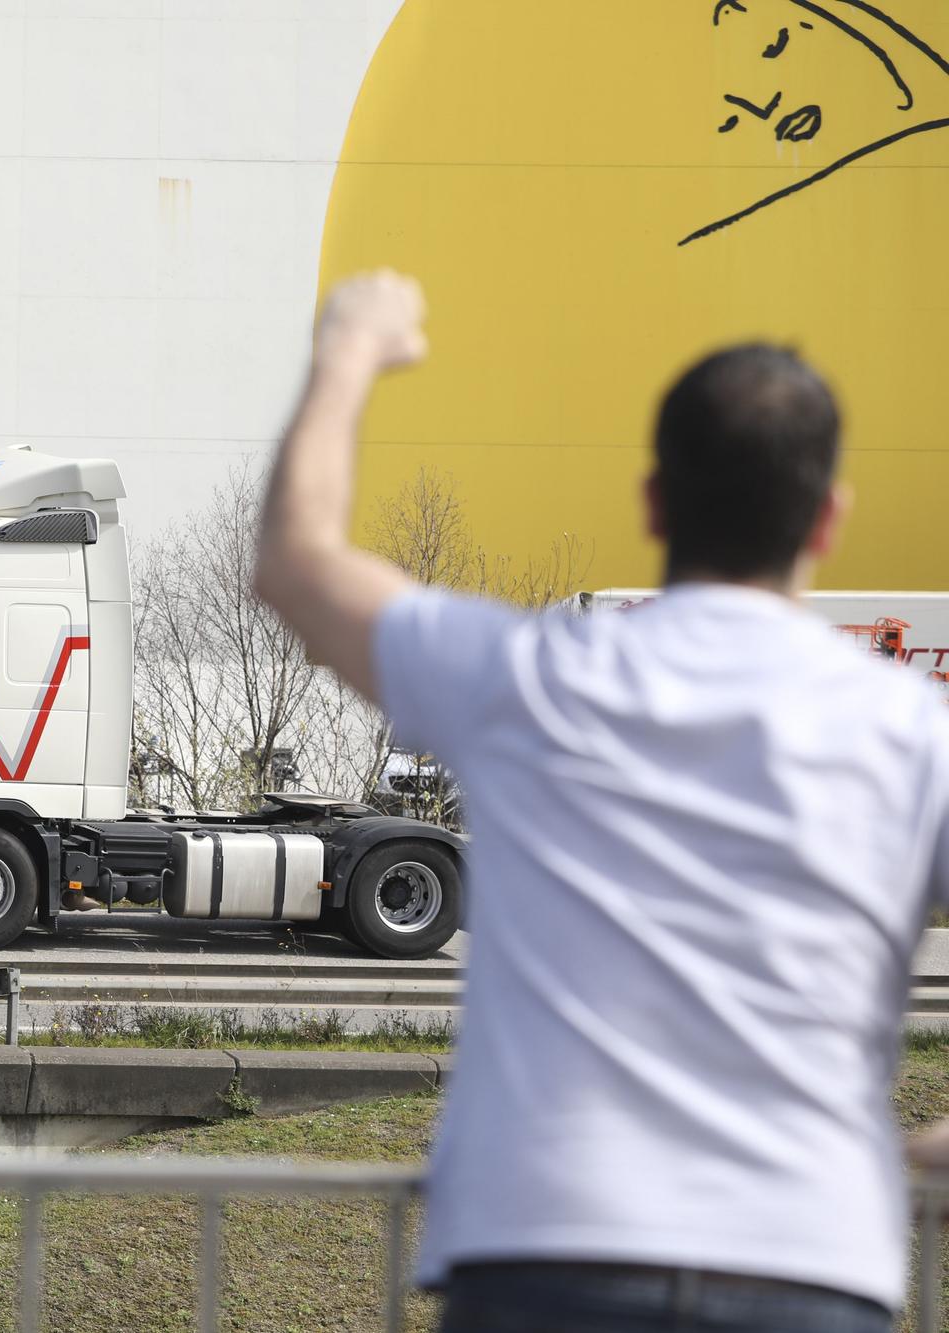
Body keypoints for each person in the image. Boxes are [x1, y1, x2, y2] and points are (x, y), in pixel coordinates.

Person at [253, 271, 949, 1332]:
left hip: (545, 1246)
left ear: (652, 502)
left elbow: (297, 566)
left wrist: (348, 348)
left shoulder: (533, 681)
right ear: (827, 519)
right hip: (808, 1258)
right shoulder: (909, 733)